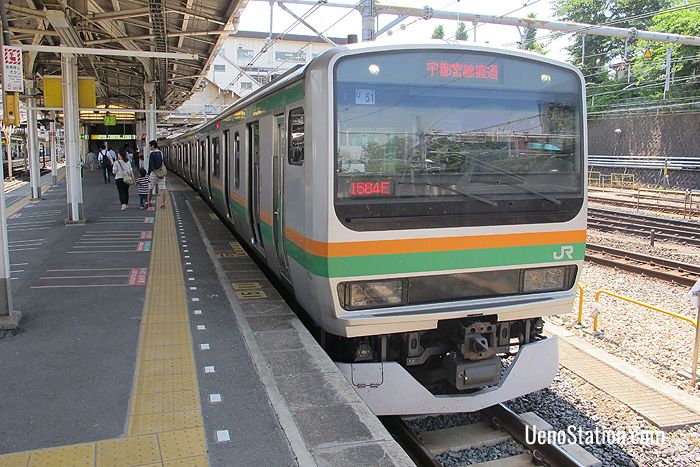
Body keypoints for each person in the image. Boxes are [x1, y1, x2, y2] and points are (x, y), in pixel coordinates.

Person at [146, 140, 166, 209]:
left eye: (150, 146)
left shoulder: (152, 153)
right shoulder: (161, 152)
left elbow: (150, 165)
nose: (149, 147)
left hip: (153, 173)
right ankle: (163, 203)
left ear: (153, 146)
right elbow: (162, 162)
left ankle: (149, 202)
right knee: (162, 188)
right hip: (161, 173)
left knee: (150, 188)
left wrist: (148, 174)